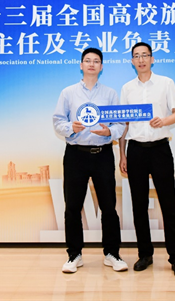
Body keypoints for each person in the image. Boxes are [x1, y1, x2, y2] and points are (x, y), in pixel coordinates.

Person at [52, 48, 128, 273]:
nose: (92, 64)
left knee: (109, 207)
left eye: (96, 61)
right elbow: (58, 121)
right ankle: (74, 255)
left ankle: (112, 253)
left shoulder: (110, 94)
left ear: (101, 66)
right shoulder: (68, 93)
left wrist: (109, 132)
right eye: (87, 60)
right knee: (72, 207)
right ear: (81, 65)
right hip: (75, 155)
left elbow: (120, 124)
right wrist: (70, 127)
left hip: (102, 154)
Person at [119, 42, 175, 279]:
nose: (141, 60)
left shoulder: (166, 83)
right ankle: (145, 254)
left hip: (160, 149)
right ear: (132, 61)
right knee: (139, 206)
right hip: (136, 150)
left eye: (145, 55)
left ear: (152, 58)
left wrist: (164, 121)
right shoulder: (127, 88)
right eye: (136, 56)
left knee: (168, 204)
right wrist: (122, 154)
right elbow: (124, 123)